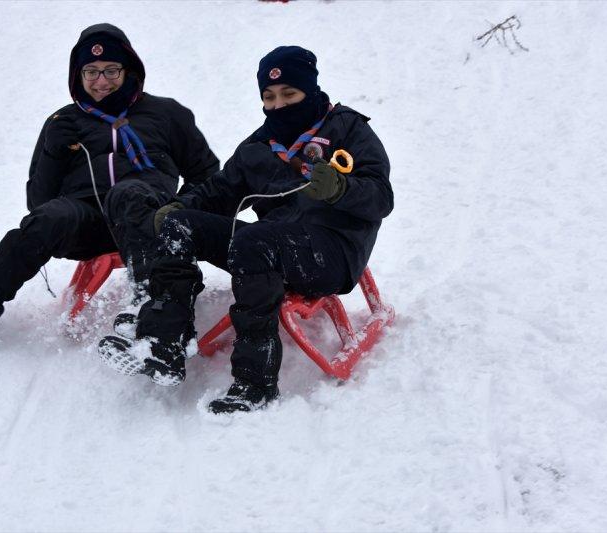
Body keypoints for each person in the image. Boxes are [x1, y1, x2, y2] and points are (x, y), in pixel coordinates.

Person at [98, 45, 393, 414]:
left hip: (332, 252)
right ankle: (164, 343)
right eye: (269, 97)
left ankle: (256, 384)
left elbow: (382, 197)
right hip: (270, 247)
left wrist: (341, 189)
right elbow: (218, 192)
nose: (277, 105)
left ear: (310, 91)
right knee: (179, 226)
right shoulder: (260, 146)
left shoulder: (348, 128)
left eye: (289, 94)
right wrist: (174, 210)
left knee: (254, 241)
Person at [0, 23, 219, 358]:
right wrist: (53, 151)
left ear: (130, 70)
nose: (101, 81)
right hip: (89, 223)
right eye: (91, 71)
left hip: (148, 220)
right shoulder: (63, 122)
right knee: (50, 217)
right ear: (77, 76)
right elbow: (38, 203)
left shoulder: (167, 114)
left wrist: (179, 212)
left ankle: (146, 307)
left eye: (111, 70)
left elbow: (209, 176)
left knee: (128, 193)